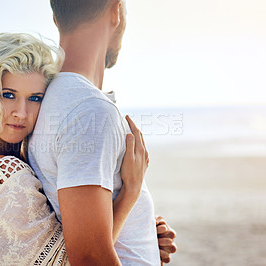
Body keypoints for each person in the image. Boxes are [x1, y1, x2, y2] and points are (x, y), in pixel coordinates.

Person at [0, 32, 175, 265]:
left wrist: (141, 234)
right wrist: (130, 194)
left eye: (34, 98)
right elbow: (79, 260)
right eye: (8, 95)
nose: (21, 113)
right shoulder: (4, 173)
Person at [28, 0, 176, 265]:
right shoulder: (89, 110)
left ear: (56, 18)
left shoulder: (47, 100)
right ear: (116, 12)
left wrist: (141, 234)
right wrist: (131, 191)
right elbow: (89, 257)